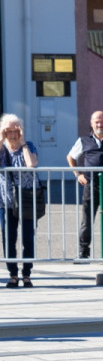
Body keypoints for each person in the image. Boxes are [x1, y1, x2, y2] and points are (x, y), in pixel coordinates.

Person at [66, 110, 103, 261]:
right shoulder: (83, 140)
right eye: (96, 121)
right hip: (91, 186)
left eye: (102, 121)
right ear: (91, 123)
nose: (99, 124)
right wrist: (78, 175)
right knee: (87, 220)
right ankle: (83, 252)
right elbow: (70, 157)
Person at [0, 115, 40, 287]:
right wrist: (1, 139)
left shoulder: (28, 146)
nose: (12, 134)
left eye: (16, 130)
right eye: (8, 130)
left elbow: (31, 163)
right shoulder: (2, 149)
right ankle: (13, 274)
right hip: (6, 201)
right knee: (9, 239)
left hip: (27, 200)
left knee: (28, 239)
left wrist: (22, 143)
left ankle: (27, 274)